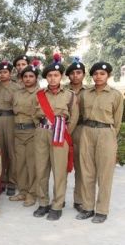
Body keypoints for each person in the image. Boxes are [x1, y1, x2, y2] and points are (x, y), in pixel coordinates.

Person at [32, 53, 79, 221]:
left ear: (61, 76)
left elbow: (74, 117)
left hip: (61, 134)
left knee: (59, 171)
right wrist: (41, 128)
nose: (53, 78)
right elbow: (33, 115)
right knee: (41, 169)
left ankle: (57, 205)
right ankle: (43, 203)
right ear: (46, 77)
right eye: (50, 76)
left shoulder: (70, 95)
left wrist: (66, 132)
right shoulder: (39, 95)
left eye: (56, 75)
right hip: (42, 132)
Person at [76, 62, 123, 223]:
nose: (98, 76)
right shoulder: (85, 94)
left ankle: (102, 210)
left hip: (105, 133)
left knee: (104, 174)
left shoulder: (115, 95)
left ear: (108, 76)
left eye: (102, 74)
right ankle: (88, 207)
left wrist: (110, 136)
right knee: (87, 171)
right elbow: (80, 113)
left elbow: (117, 121)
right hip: (87, 131)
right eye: (95, 73)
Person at [11, 60, 40, 206]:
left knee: (31, 164)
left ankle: (32, 193)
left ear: (36, 78)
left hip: (32, 132)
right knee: (20, 164)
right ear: (21, 78)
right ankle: (22, 191)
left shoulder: (40, 94)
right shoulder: (17, 94)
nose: (28, 79)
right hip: (18, 131)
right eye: (25, 76)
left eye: (31, 76)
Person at [0, 59, 20, 195]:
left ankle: (12, 181)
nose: (2, 74)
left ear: (10, 73)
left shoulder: (17, 88)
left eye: (5, 72)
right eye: (0, 72)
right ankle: (1, 180)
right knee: (0, 151)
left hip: (11, 120)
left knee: (12, 152)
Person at [65, 57, 88, 212]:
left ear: (84, 74)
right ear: (68, 76)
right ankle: (59, 198)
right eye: (72, 73)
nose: (75, 75)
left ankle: (78, 200)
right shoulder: (62, 91)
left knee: (81, 166)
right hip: (63, 130)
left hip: (81, 130)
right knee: (61, 166)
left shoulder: (90, 92)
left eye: (79, 72)